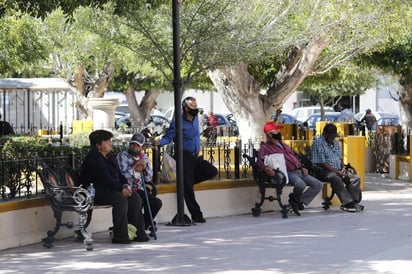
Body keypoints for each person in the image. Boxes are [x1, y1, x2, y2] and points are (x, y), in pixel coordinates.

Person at [79, 129, 149, 244]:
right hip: (95, 192)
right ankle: (120, 235)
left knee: (135, 198)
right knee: (120, 199)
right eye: (107, 141)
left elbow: (119, 174)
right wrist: (121, 189)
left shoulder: (109, 156)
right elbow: (106, 178)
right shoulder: (94, 158)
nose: (110, 143)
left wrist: (125, 185)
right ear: (98, 145)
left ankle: (138, 233)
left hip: (110, 189)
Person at [156, 96, 218, 223]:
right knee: (188, 190)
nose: (195, 109)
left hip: (195, 157)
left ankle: (185, 184)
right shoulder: (178, 121)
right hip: (184, 157)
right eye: (192, 107)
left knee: (212, 171)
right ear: (185, 108)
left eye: (196, 106)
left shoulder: (196, 119)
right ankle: (197, 215)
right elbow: (169, 136)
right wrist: (159, 142)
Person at [257, 121, 323, 216]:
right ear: (269, 134)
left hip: (298, 171)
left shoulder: (284, 145)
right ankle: (295, 202)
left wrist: (302, 167)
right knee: (300, 185)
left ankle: (296, 201)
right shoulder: (266, 147)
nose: (279, 132)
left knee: (318, 185)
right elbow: (260, 161)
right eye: (276, 130)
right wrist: (266, 169)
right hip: (287, 173)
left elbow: (294, 157)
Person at [311, 123, 364, 212]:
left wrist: (342, 169)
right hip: (323, 171)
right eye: (331, 136)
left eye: (334, 136)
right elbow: (323, 163)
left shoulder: (335, 142)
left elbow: (340, 157)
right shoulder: (318, 143)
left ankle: (353, 202)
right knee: (335, 178)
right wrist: (337, 172)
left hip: (338, 170)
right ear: (325, 134)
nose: (333, 138)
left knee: (355, 178)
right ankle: (348, 203)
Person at [116, 132, 162, 233]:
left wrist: (144, 169)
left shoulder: (144, 157)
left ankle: (143, 225)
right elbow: (122, 175)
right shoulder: (122, 156)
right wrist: (134, 168)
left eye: (137, 145)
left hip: (140, 189)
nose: (134, 147)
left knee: (156, 203)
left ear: (142, 147)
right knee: (137, 201)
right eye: (132, 144)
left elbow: (148, 178)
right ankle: (136, 226)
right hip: (127, 189)